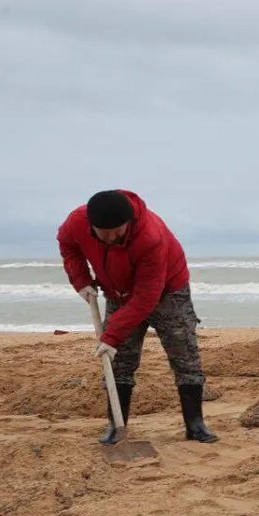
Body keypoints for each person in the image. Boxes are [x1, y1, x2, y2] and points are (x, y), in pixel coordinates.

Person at [57, 189, 218, 444]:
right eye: (104, 234)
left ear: (129, 222)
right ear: (91, 225)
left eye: (117, 232)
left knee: (184, 354)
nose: (111, 238)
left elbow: (145, 297)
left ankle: (195, 425)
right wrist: (81, 280)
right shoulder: (76, 223)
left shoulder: (150, 237)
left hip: (167, 291)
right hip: (117, 292)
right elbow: (68, 246)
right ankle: (115, 426)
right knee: (119, 361)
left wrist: (110, 336)